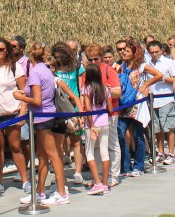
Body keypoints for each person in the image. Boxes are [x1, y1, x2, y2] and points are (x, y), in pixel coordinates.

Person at [13, 43, 71, 206]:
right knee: (42, 156)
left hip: (42, 118)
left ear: (31, 56)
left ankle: (61, 192)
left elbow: (37, 100)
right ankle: (39, 192)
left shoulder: (35, 72)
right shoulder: (45, 70)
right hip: (46, 115)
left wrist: (21, 97)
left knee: (52, 155)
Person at [115, 38, 163, 179]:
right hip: (124, 104)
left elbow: (159, 75)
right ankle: (126, 166)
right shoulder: (121, 66)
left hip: (137, 103)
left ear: (134, 53)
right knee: (121, 133)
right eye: (123, 50)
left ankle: (139, 165)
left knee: (138, 135)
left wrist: (146, 84)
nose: (124, 53)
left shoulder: (141, 66)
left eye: (127, 51)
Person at [0, 38, 27, 194]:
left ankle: (25, 180)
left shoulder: (14, 67)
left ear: (7, 51)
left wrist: (23, 112)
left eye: (2, 49)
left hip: (13, 112)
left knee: (16, 147)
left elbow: (23, 90)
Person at [84, 43, 122, 187]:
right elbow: (84, 93)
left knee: (111, 144)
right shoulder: (87, 72)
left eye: (96, 59)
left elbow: (118, 92)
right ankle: (99, 177)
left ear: (101, 57)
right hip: (92, 117)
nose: (93, 62)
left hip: (109, 114)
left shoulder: (108, 70)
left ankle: (113, 175)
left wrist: (105, 92)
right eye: (90, 59)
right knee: (95, 148)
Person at [51, 43, 85, 186]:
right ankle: (60, 173)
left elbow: (81, 89)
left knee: (76, 141)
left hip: (74, 108)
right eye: (56, 57)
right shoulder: (53, 68)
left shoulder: (77, 68)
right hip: (58, 108)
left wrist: (82, 112)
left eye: (60, 57)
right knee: (58, 144)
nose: (58, 59)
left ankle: (77, 172)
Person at [79, 63, 113, 195]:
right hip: (105, 122)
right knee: (105, 152)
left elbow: (88, 108)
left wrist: (92, 125)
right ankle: (104, 183)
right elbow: (110, 109)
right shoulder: (105, 89)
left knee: (89, 152)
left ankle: (97, 182)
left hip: (92, 124)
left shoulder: (86, 88)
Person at [146, 41, 175, 165]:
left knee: (168, 128)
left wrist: (162, 77)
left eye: (156, 52)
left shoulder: (169, 63)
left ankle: (171, 153)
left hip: (166, 99)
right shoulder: (147, 64)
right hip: (153, 100)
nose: (154, 55)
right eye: (151, 52)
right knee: (157, 128)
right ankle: (160, 152)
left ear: (161, 51)